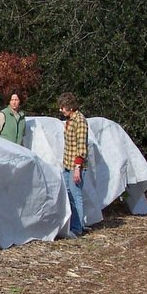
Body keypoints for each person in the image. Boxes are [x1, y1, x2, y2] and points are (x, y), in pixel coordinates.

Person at [57, 92, 89, 238]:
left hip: (76, 166)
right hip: (67, 164)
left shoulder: (80, 121)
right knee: (68, 194)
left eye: (62, 107)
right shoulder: (70, 120)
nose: (61, 110)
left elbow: (82, 147)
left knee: (76, 195)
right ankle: (72, 224)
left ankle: (78, 228)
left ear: (69, 106)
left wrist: (77, 168)